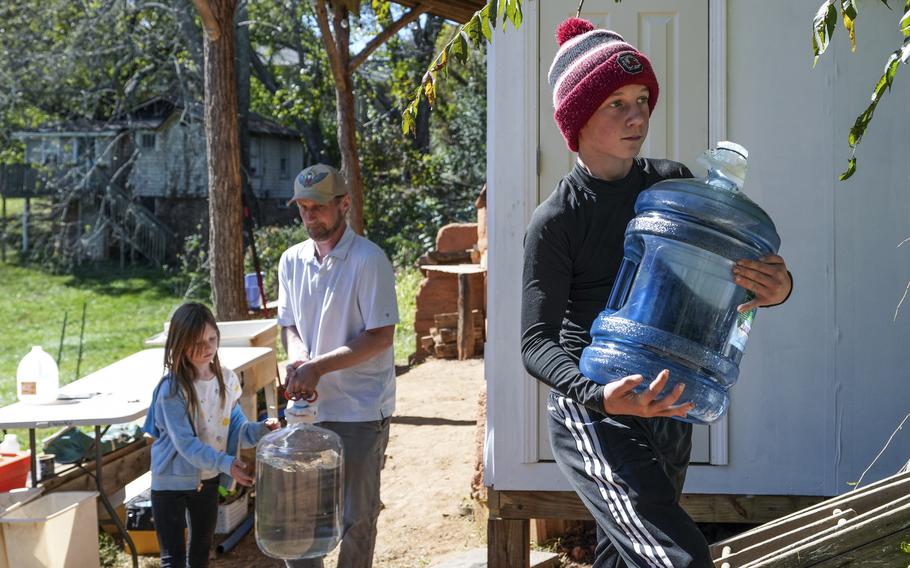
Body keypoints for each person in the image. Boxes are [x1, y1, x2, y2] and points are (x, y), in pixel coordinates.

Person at [521, 18, 793, 568]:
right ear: (576, 119)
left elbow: (716, 286)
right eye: (616, 104)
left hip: (668, 397)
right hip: (594, 406)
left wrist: (774, 288)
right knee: (677, 556)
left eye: (642, 99)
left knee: (626, 558)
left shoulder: (669, 186)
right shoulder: (556, 221)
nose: (638, 115)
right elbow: (535, 342)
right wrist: (598, 395)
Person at [278, 163, 399, 568]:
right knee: (302, 516)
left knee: (356, 519)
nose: (310, 216)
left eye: (319, 207)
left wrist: (317, 368)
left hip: (360, 409)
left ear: (344, 204)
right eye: (303, 208)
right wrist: (298, 358)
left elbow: (381, 336)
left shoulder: (369, 260)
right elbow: (289, 323)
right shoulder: (291, 261)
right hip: (308, 411)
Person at [143, 302, 277, 568]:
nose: (206, 348)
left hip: (208, 480)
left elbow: (237, 429)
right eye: (196, 342)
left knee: (201, 556)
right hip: (169, 484)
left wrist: (263, 430)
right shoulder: (172, 390)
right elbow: (187, 446)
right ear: (179, 343)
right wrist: (227, 464)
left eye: (212, 339)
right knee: (174, 562)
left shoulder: (227, 380)